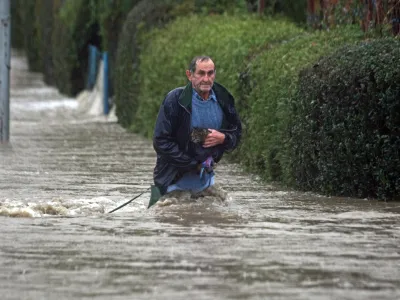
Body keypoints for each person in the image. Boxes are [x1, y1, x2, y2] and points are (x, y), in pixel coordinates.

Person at [150, 55, 242, 207]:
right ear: (190, 75)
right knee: (169, 215)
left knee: (226, 208)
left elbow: (236, 132)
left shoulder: (224, 98)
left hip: (205, 182)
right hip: (171, 181)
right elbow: (160, 141)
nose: (206, 79)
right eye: (201, 73)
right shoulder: (174, 99)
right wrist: (193, 164)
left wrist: (224, 138)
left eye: (210, 73)